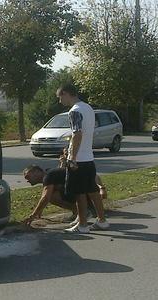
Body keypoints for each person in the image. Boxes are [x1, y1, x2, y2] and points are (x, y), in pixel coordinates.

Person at [57, 84, 109, 233]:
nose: (60, 101)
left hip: (78, 160)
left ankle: (83, 225)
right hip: (88, 158)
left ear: (66, 94)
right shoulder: (88, 108)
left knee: (79, 193)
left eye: (60, 97)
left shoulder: (74, 111)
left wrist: (72, 157)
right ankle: (102, 221)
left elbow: (77, 133)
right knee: (92, 191)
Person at [22, 165, 107, 226]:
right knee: (53, 194)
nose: (27, 180)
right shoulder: (51, 174)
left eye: (28, 176)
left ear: (37, 172)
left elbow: (45, 197)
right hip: (85, 195)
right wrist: (39, 210)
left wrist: (33, 215)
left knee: (51, 197)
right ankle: (81, 211)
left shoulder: (48, 176)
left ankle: (84, 212)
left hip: (83, 195)